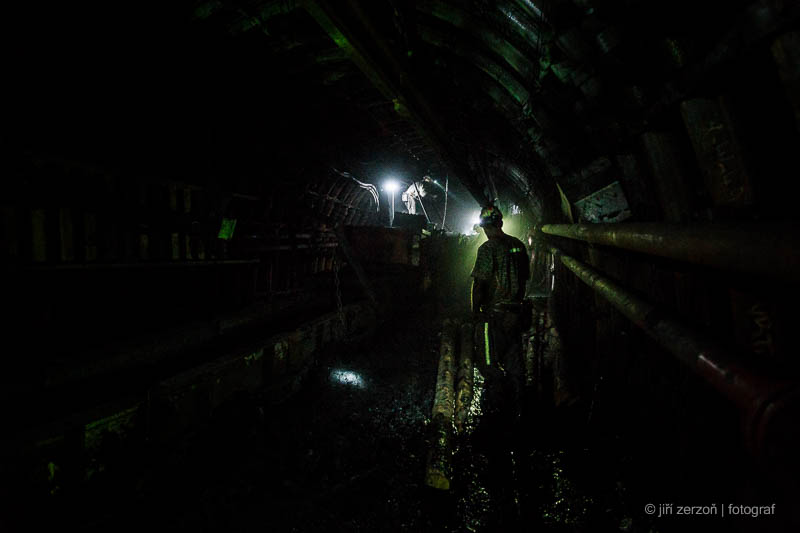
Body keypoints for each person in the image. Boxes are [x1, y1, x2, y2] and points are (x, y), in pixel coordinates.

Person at [470, 204, 530, 420]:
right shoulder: (518, 246)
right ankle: (520, 411)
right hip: (515, 313)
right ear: (501, 223)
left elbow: (480, 284)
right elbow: (525, 279)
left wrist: (475, 311)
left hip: (493, 315)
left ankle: (496, 413)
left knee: (488, 361)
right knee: (514, 362)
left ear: (485, 226)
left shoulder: (487, 249)